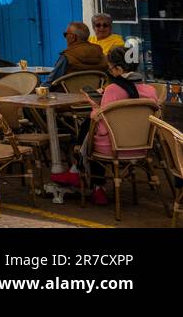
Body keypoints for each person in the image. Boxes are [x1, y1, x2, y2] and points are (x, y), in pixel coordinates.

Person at [66, 45, 158, 205]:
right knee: (92, 128)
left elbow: (102, 129)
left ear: (118, 69)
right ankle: (80, 174)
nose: (110, 72)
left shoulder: (113, 89)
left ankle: (95, 185)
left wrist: (95, 107)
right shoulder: (150, 90)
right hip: (143, 146)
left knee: (91, 129)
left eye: (110, 69)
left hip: (114, 147)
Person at [45, 21, 108, 85]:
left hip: (68, 93)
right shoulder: (100, 53)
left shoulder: (67, 56)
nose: (65, 37)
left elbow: (51, 81)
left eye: (65, 34)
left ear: (73, 37)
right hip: (94, 92)